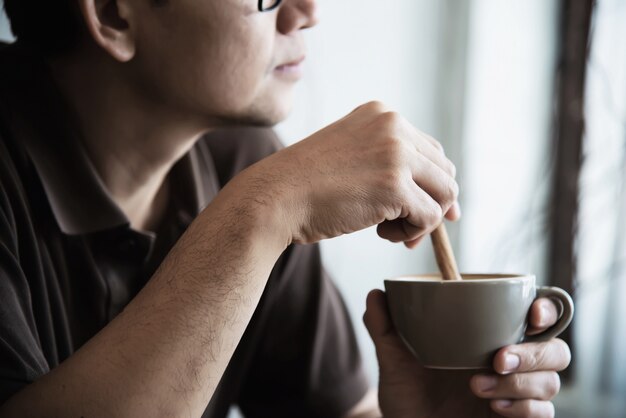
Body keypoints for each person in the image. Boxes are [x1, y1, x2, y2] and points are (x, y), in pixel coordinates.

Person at [0, 0, 570, 417]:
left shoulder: (240, 157)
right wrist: (263, 209)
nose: (307, 11)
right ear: (112, 14)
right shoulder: (263, 194)